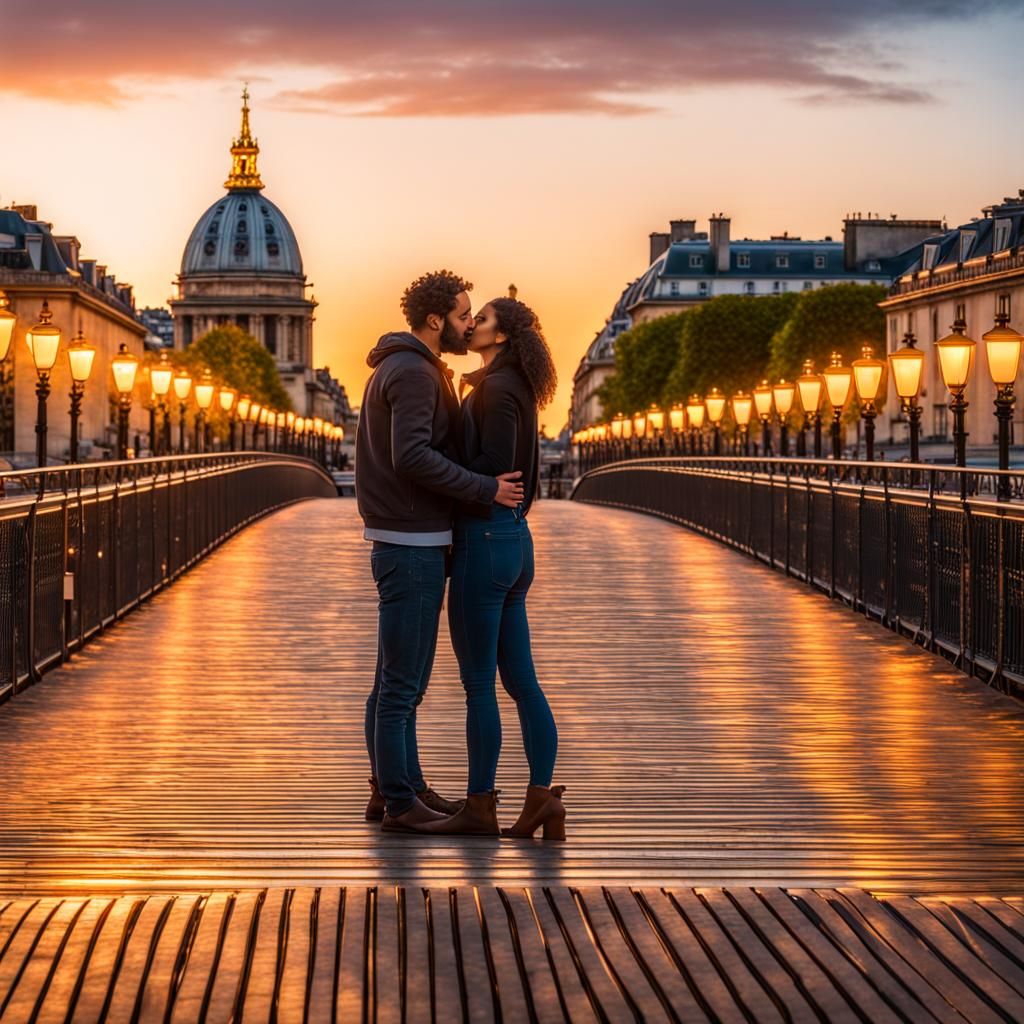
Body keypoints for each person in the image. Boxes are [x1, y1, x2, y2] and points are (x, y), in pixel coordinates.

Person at [355, 271, 524, 835]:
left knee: (392, 679)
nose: (469, 322)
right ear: (436, 320)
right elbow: (412, 457)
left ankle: (397, 785)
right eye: (462, 315)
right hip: (412, 542)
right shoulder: (413, 373)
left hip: (407, 537)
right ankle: (402, 802)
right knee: (403, 685)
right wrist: (486, 489)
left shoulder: (407, 368)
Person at [422, 297, 564, 840]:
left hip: (485, 538)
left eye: (481, 319)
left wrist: (435, 469)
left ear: (501, 335)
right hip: (512, 541)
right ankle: (541, 799)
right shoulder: (506, 384)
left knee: (480, 684)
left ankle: (480, 804)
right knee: (522, 682)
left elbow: (493, 465)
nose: (473, 324)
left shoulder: (500, 389)